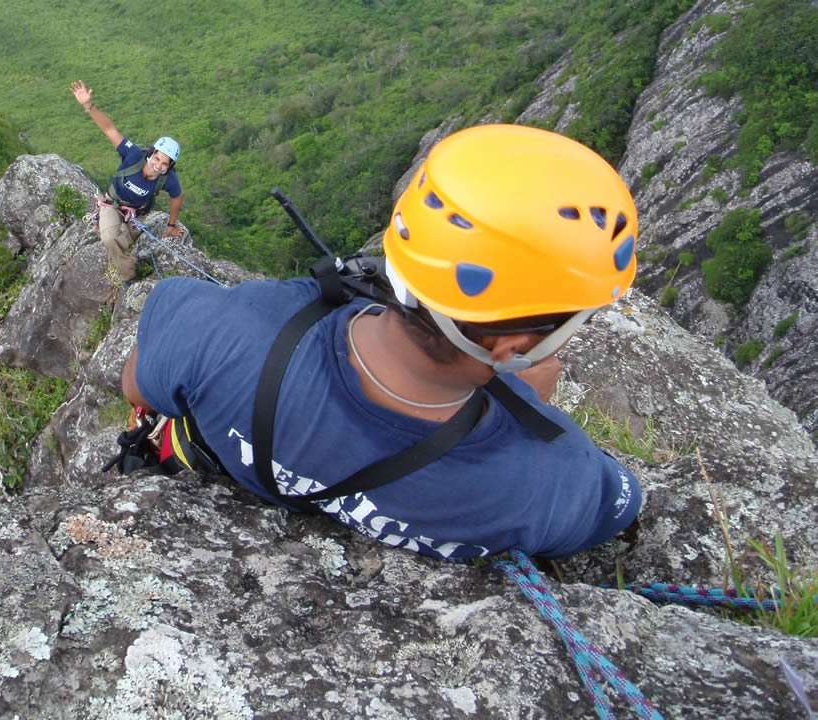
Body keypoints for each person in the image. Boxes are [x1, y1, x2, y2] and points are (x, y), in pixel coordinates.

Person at [120, 124, 644, 561]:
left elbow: (136, 379)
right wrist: (523, 404)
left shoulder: (225, 331)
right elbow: (617, 507)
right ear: (516, 345)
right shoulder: (550, 481)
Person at [70, 79, 184, 284]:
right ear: (151, 154)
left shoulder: (168, 179)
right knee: (108, 239)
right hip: (112, 204)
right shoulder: (133, 155)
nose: (159, 165)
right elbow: (110, 130)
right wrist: (88, 106)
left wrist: (171, 225)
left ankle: (117, 233)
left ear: (170, 167)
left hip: (138, 213)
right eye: (157, 158)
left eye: (165, 164)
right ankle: (128, 273)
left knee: (122, 237)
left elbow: (177, 196)